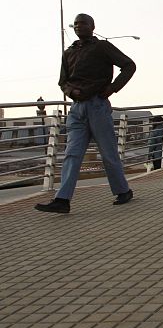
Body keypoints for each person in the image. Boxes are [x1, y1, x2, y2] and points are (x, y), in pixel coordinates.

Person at [35, 14, 136, 214]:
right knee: (72, 154)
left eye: (83, 23)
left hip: (98, 105)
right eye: (76, 24)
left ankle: (123, 191)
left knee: (108, 153)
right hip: (77, 109)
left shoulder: (102, 47)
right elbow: (63, 81)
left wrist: (113, 88)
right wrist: (71, 92)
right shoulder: (69, 52)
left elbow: (129, 65)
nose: (79, 26)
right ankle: (62, 200)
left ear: (92, 26)